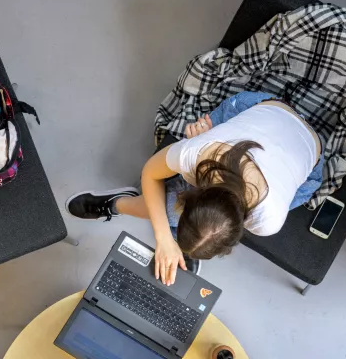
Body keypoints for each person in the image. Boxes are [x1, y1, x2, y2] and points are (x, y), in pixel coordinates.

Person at [66, 92, 323, 287]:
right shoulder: (199, 151)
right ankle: (117, 203)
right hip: (262, 107)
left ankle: (130, 207)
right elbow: (150, 173)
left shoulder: (269, 220)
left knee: (170, 210)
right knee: (170, 210)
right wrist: (163, 238)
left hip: (309, 166)